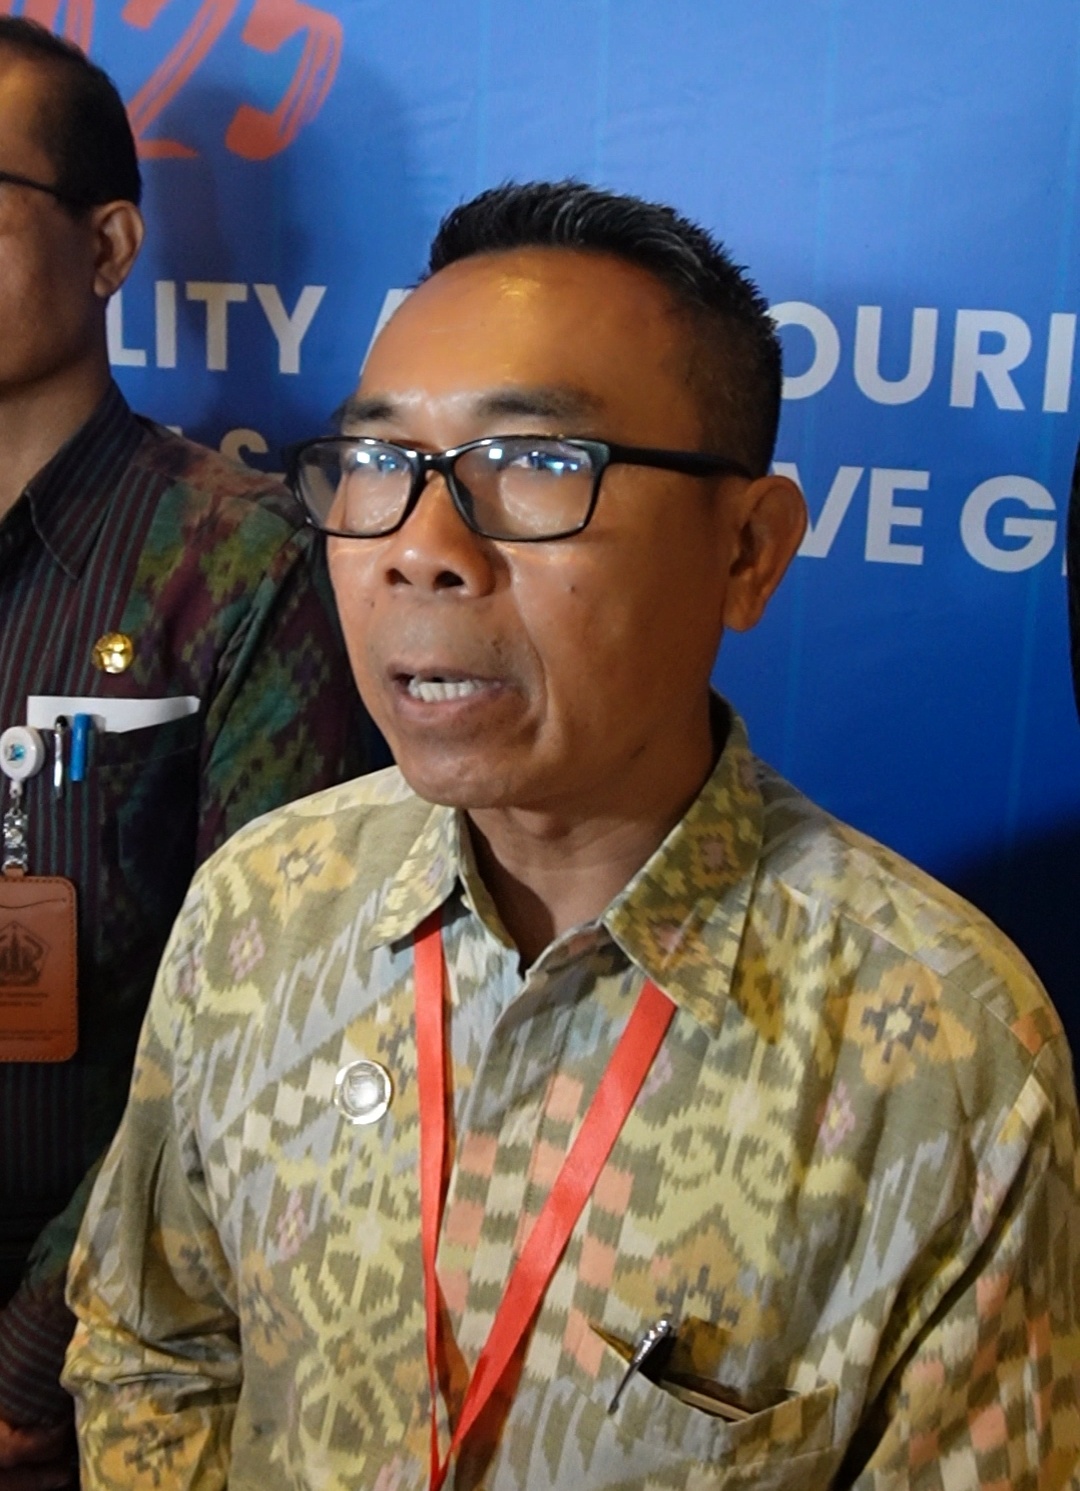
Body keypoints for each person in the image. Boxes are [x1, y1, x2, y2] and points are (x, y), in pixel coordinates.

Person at [64, 181, 1080, 1490]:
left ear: (749, 551)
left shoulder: (947, 1052)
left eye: (538, 464)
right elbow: (154, 1349)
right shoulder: (264, 903)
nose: (419, 549)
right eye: (377, 463)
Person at [0, 18, 371, 1486]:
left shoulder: (241, 565)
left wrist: (34, 1359)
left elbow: (259, 1023)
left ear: (106, 247)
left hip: (88, 1368)